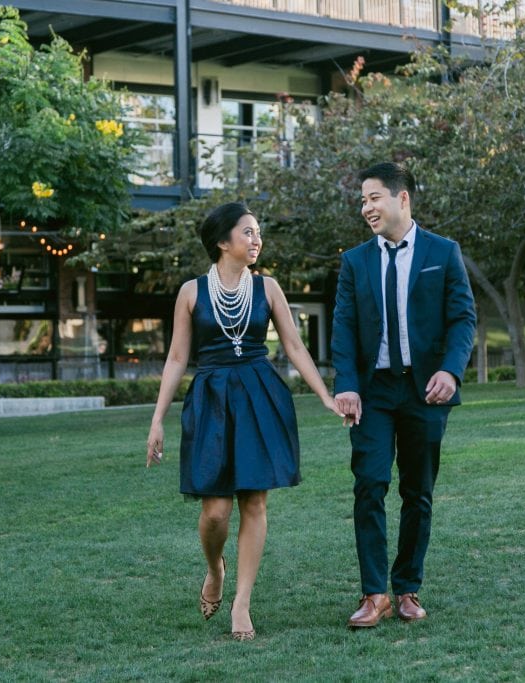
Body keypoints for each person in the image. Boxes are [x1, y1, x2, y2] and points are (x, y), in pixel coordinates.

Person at [145, 201, 342, 641]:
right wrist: (157, 420)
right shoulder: (191, 292)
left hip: (259, 395)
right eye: (248, 232)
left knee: (254, 502)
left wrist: (325, 396)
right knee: (215, 512)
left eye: (258, 233)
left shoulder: (267, 287)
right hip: (211, 398)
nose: (257, 240)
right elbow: (176, 358)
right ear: (222, 241)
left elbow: (294, 347)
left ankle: (242, 603)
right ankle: (215, 568)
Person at [331, 162, 476, 627]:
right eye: (363, 200)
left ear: (402, 198)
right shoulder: (355, 261)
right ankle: (374, 594)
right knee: (369, 484)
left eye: (374, 197)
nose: (366, 208)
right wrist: (346, 385)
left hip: (425, 391)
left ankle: (407, 587)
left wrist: (451, 371)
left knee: (418, 491)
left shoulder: (443, 252)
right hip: (372, 392)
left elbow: (463, 318)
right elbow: (344, 326)